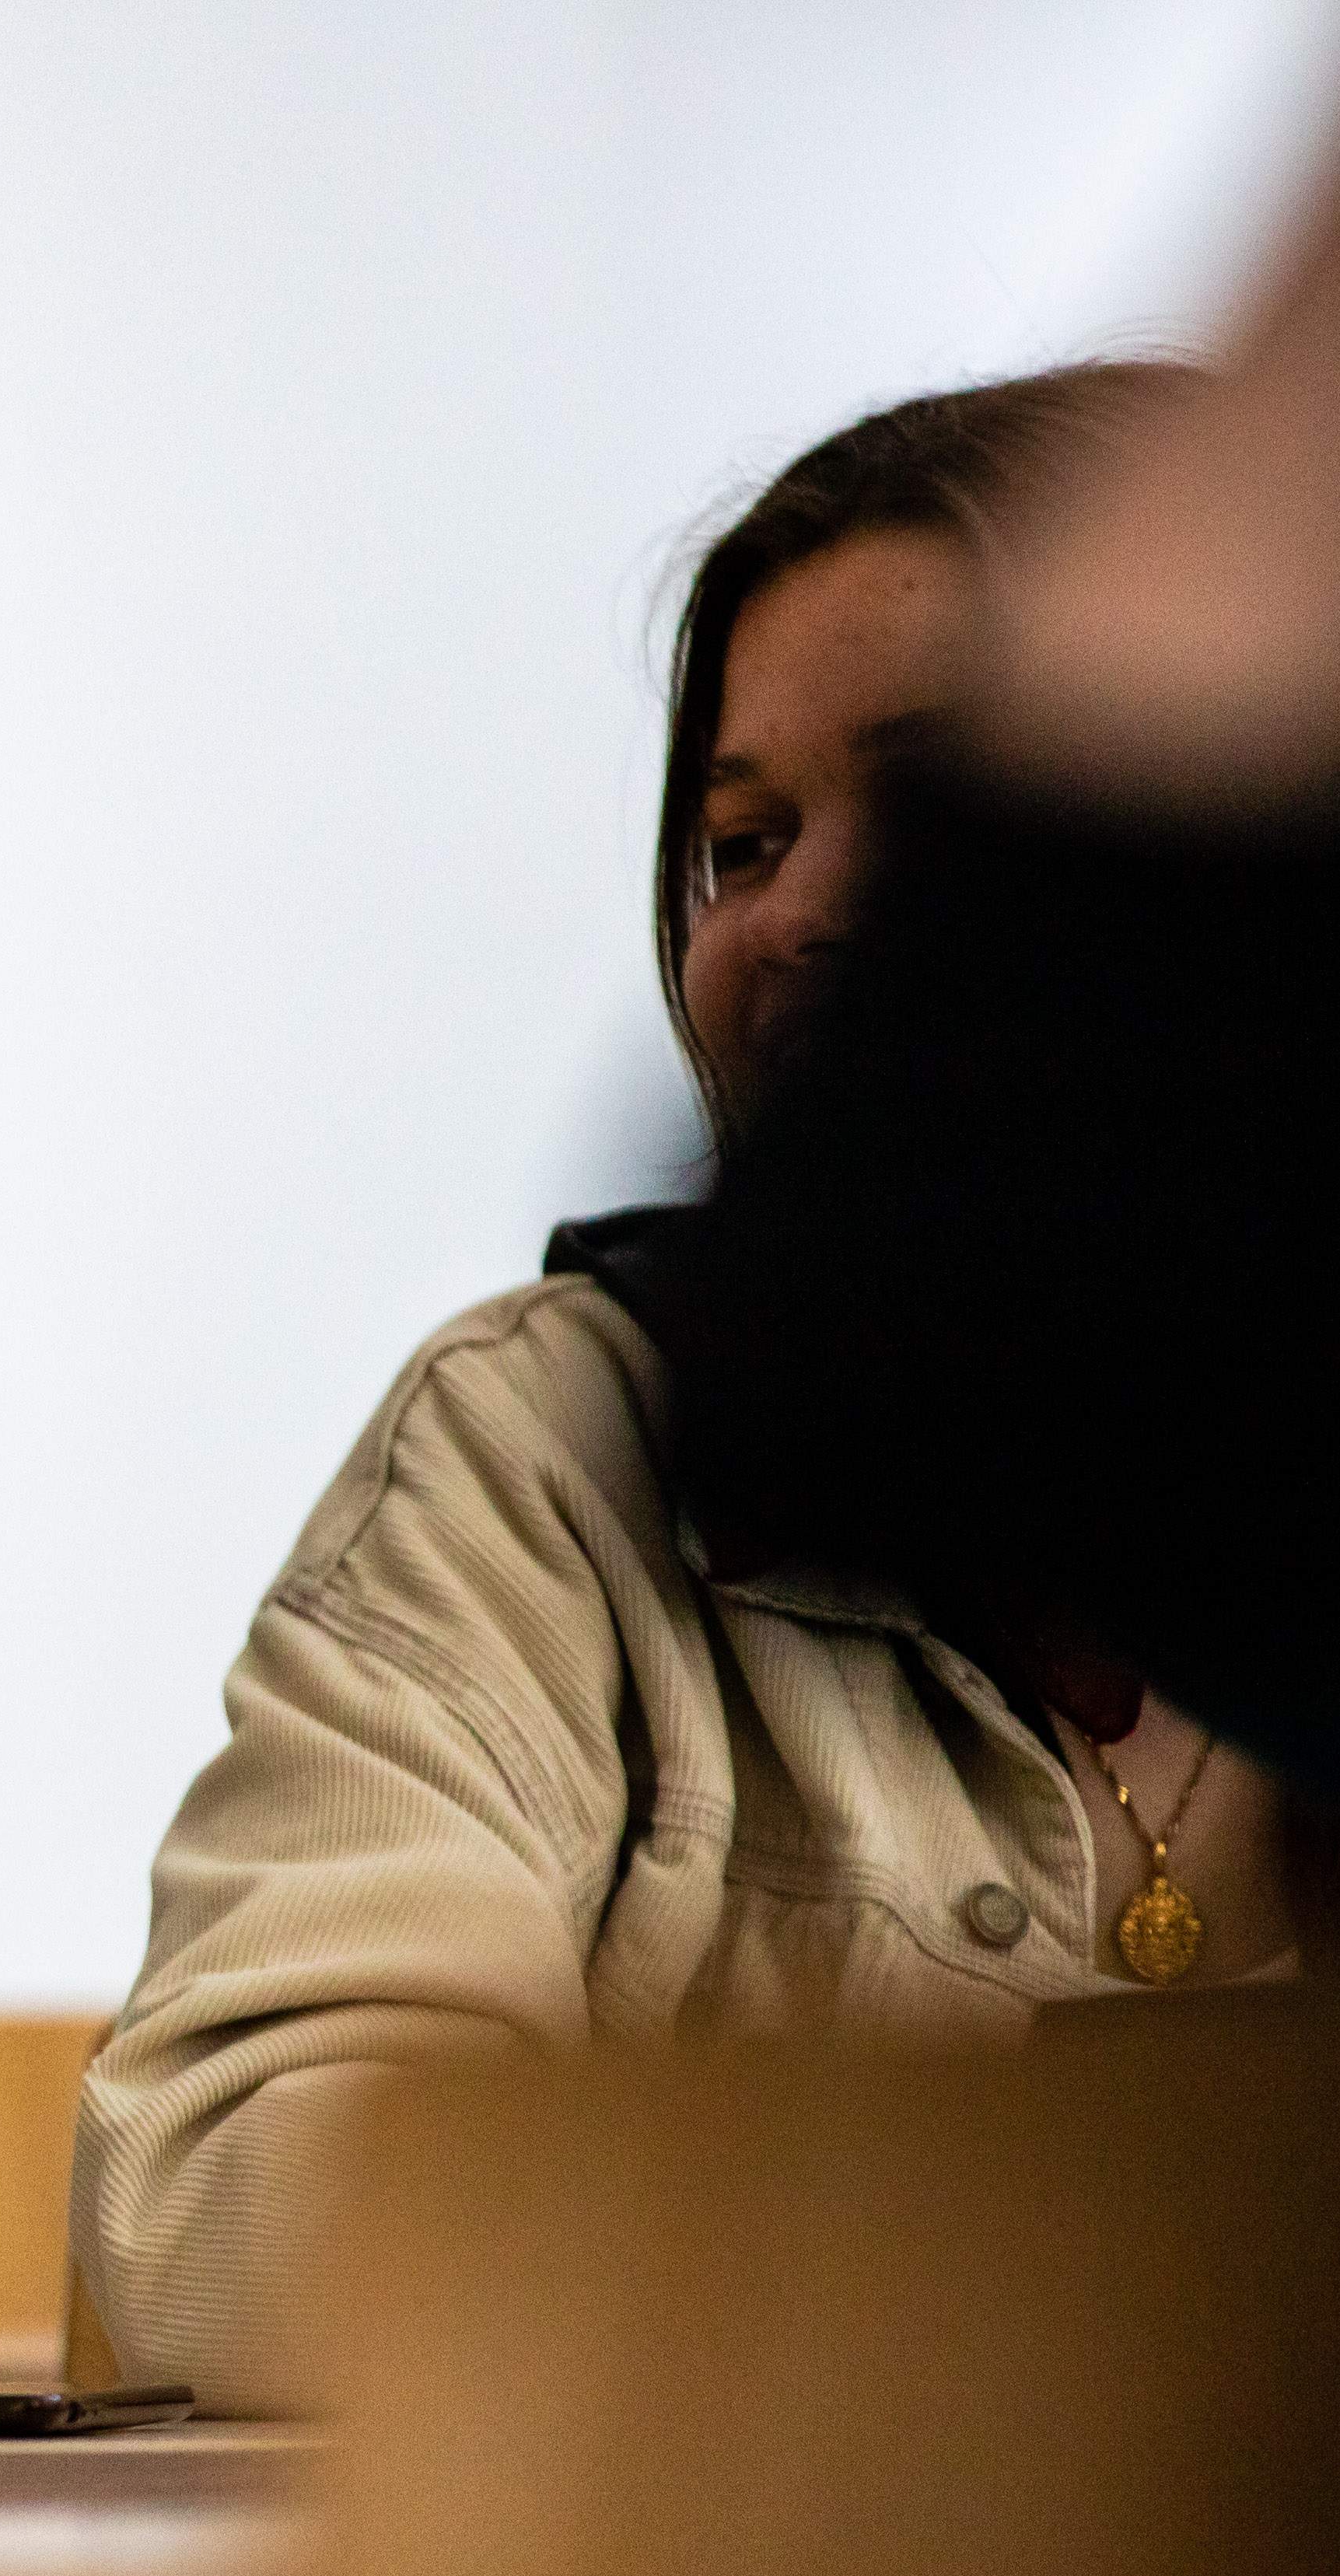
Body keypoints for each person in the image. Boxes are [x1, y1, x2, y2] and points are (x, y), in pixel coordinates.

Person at [66, 364, 1316, 2415]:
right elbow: (236, 2193)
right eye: (738, 842)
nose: (797, 915)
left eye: (926, 798)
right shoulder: (543, 1446)